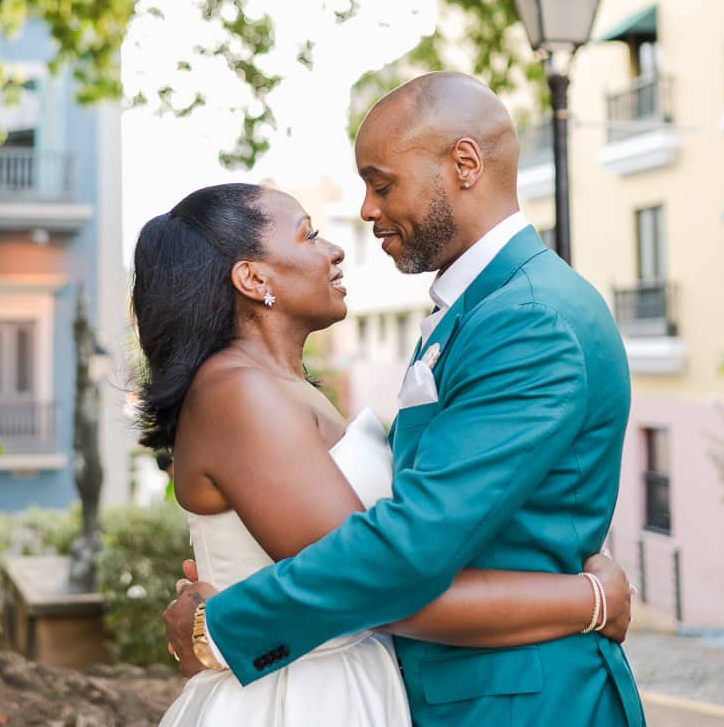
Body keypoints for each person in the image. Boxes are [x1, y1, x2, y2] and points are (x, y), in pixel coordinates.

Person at [160, 72, 645, 726]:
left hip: (517, 699)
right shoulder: (479, 311)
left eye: (381, 183)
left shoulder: (527, 317)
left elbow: (413, 545)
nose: (364, 210)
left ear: (464, 164)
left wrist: (222, 626)